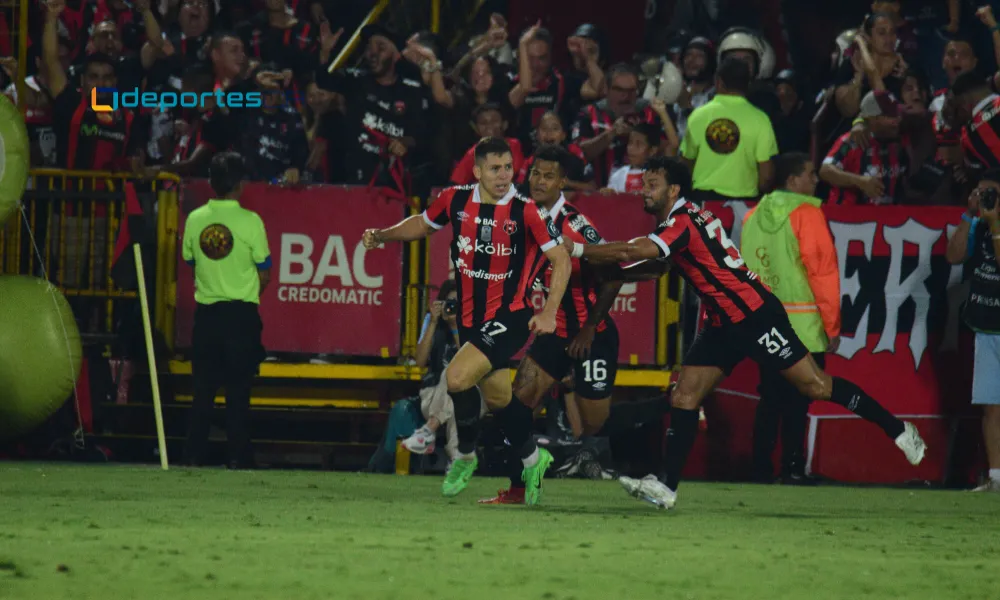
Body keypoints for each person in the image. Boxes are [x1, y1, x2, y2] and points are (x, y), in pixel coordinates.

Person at [563, 156, 927, 510]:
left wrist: (578, 249)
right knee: (685, 396)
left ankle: (898, 430)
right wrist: (622, 274)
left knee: (815, 385)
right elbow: (657, 266)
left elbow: (633, 249)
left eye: (652, 185)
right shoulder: (683, 218)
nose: (645, 191)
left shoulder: (683, 221)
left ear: (673, 189)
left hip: (753, 316)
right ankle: (665, 487)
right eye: (644, 184)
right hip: (722, 323)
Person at [362, 137, 573, 504]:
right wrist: (383, 235)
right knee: (499, 401)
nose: (504, 175)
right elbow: (424, 225)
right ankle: (534, 459)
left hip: (511, 316)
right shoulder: (455, 199)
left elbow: (563, 260)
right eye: (495, 168)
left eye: (508, 167)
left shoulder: (526, 211)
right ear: (477, 171)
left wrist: (549, 311)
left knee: (457, 378)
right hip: (473, 318)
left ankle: (463, 456)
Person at [479, 145, 622, 505]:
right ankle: (519, 487)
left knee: (592, 424)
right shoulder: (525, 218)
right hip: (555, 332)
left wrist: (589, 329)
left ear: (562, 182)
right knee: (516, 406)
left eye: (548, 176)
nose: (539, 181)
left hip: (593, 333)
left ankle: (652, 409)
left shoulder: (575, 224)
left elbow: (613, 276)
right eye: (535, 174)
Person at [740, 153, 841, 484]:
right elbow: (822, 272)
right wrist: (832, 325)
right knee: (799, 401)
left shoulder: (752, 216)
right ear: (792, 180)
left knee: (769, 399)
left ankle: (759, 468)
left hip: (763, 324)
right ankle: (793, 468)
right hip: (804, 325)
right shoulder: (808, 214)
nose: (815, 180)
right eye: (810, 174)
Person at [182, 152, 271, 469]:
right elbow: (265, 272)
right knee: (238, 392)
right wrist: (247, 293)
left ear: (211, 182)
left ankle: (193, 457)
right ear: (240, 185)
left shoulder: (194, 219)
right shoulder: (251, 222)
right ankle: (238, 457)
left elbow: (191, 261)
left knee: (202, 392)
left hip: (206, 316)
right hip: (241, 317)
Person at [945, 171, 1000, 492]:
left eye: (991, 195)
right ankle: (995, 477)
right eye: (980, 194)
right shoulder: (978, 226)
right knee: (991, 405)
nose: (985, 201)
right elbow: (953, 256)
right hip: (986, 325)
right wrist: (969, 215)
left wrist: (994, 224)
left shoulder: (991, 227)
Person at [680, 57, 777, 203]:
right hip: (745, 204)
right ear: (748, 84)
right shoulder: (760, 119)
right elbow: (766, 176)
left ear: (718, 81)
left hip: (704, 203)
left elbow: (686, 163)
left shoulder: (698, 116)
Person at [402, 280, 463, 459]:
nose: (453, 308)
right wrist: (433, 322)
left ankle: (429, 431)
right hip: (433, 394)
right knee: (451, 382)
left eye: (457, 304)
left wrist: (455, 327)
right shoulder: (432, 321)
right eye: (449, 303)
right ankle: (456, 461)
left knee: (454, 380)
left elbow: (469, 358)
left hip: (465, 393)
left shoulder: (470, 322)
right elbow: (420, 361)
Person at [820, 90, 909, 205]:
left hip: (886, 218)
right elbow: (825, 171)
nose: (897, 120)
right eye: (890, 116)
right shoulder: (853, 141)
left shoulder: (899, 141)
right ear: (873, 118)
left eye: (897, 114)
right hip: (847, 217)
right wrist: (859, 181)